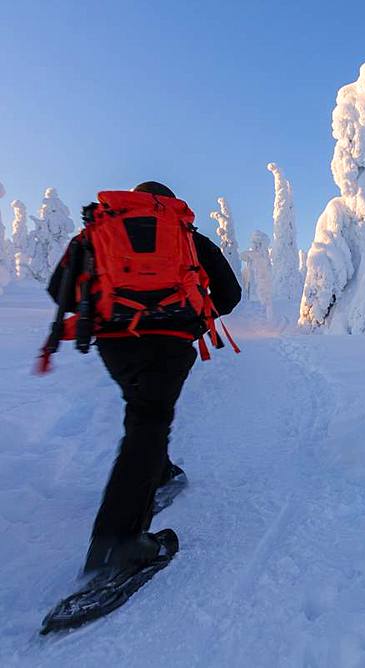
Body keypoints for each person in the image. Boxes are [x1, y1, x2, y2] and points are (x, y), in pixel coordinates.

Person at [47, 181, 241, 575]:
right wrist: (191, 320)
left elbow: (60, 292)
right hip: (170, 341)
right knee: (149, 419)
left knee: (144, 412)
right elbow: (230, 293)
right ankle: (117, 543)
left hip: (115, 344)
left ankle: (157, 470)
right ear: (169, 205)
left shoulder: (98, 229)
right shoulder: (188, 235)